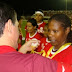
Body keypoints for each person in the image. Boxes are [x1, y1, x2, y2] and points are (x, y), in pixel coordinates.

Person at [0, 2, 72, 72]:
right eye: (17, 25)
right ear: (9, 26)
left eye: (55, 31)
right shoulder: (42, 53)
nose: (50, 34)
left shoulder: (69, 53)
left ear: (67, 30)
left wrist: (22, 51)